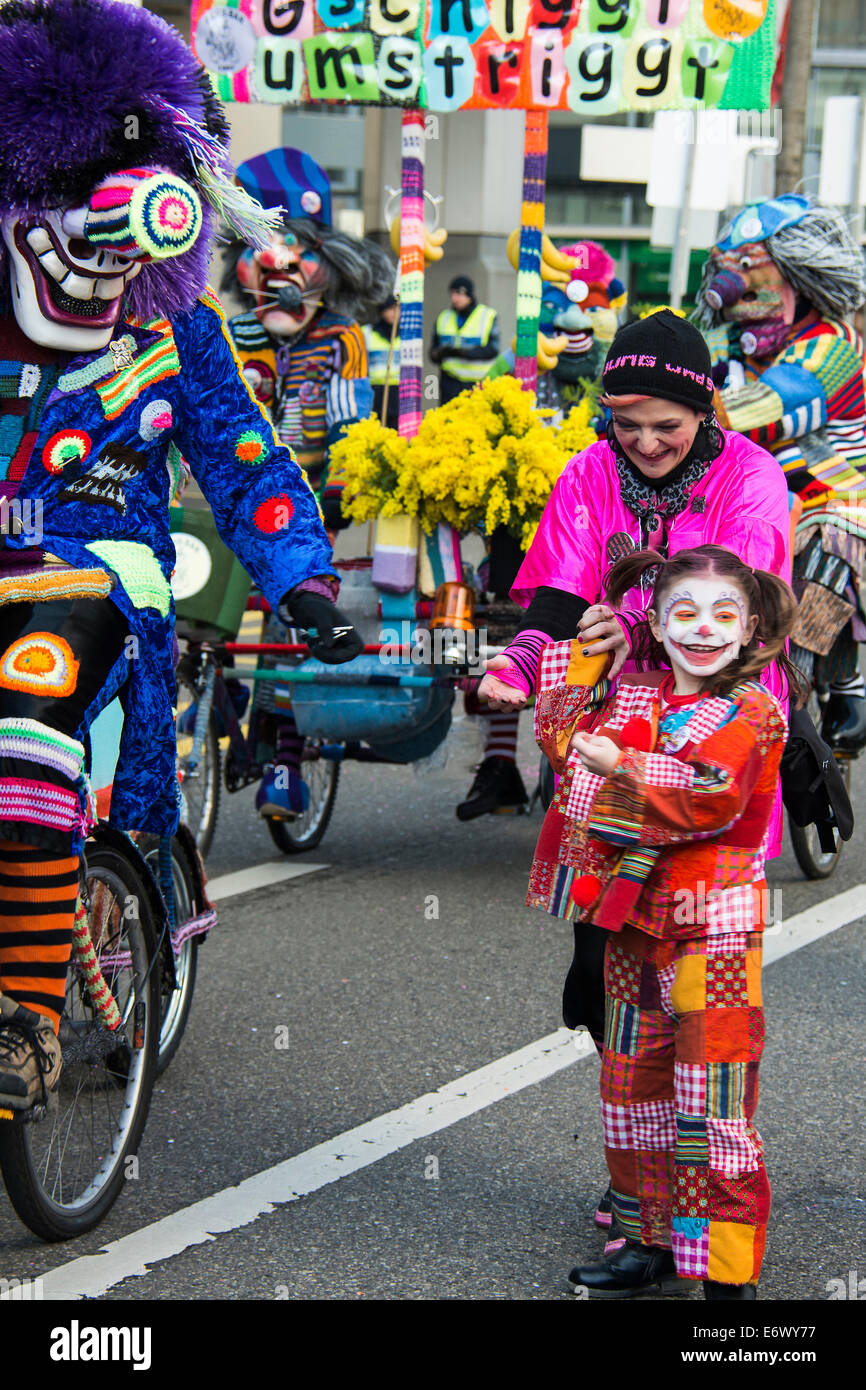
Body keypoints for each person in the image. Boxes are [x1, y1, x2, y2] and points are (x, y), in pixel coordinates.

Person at [0, 0, 362, 1110]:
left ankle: (24, 1021)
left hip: (103, 588)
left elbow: (246, 462)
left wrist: (303, 578)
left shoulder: (177, 333)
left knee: (30, 725)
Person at [477, 309, 791, 1231]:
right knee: (625, 1034)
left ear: (705, 410)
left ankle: (716, 1235)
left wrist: (644, 618)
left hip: (715, 745)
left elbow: (731, 599)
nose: (647, 443)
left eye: (668, 423)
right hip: (618, 734)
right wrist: (523, 663)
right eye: (628, 424)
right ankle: (637, 1216)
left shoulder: (752, 474)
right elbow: (555, 599)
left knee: (707, 1044)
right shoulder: (586, 474)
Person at [530, 544, 799, 1299]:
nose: (703, 630)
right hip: (631, 926)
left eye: (722, 616)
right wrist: (588, 657)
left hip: (711, 930)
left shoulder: (754, 710)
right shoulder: (636, 692)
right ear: (655, 618)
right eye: (684, 613)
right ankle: (647, 1240)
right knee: (630, 1091)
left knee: (711, 1101)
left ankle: (722, 1270)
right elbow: (561, 742)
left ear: (750, 629)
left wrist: (620, 768)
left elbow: (710, 794)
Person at [695, 194, 866, 752]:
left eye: (750, 265)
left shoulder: (833, 347)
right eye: (728, 265)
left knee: (834, 541)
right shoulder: (723, 346)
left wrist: (672, 402)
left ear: (794, 274)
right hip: (741, 494)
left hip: (829, 495)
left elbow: (763, 413)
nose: (734, 283)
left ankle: (838, 678)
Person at [223, 148, 393, 531]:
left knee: (304, 583)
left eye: (296, 243)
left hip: (310, 497)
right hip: (244, 494)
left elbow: (347, 417)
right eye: (261, 242)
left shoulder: (340, 336)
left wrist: (340, 486)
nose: (279, 259)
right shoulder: (233, 336)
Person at [430, 275, 500, 405]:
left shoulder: (487, 316)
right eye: (452, 293)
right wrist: (440, 353)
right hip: (450, 383)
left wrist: (464, 353)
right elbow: (433, 352)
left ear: (469, 294)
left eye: (459, 293)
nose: (454, 298)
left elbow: (493, 349)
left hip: (478, 384)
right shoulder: (444, 317)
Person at [365, 295, 401, 430]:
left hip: (397, 392)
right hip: (375, 391)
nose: (394, 313)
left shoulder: (406, 335)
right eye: (390, 309)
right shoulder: (368, 333)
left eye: (397, 309)